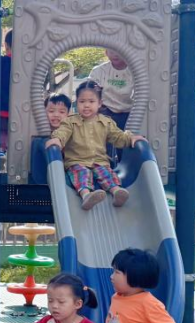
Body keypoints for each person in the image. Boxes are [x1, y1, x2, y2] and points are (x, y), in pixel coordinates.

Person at [46, 80, 145, 210]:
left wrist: (131, 138)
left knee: (106, 173)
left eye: (91, 101)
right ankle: (86, 195)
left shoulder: (106, 122)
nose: (86, 105)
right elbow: (62, 132)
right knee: (82, 174)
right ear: (77, 103)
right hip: (77, 162)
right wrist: (57, 139)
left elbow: (118, 137)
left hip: (99, 161)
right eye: (82, 101)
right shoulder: (70, 122)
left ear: (99, 103)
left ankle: (116, 192)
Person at [89, 50, 134, 131]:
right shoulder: (99, 70)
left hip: (129, 114)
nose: (115, 55)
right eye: (112, 51)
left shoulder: (135, 71)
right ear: (106, 53)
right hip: (105, 112)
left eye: (119, 51)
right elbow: (88, 90)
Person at [0, 30, 13, 150]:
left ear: (6, 46)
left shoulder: (2, 62)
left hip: (1, 110)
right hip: (22, 112)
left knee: (1, 136)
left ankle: (2, 153)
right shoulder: (31, 65)